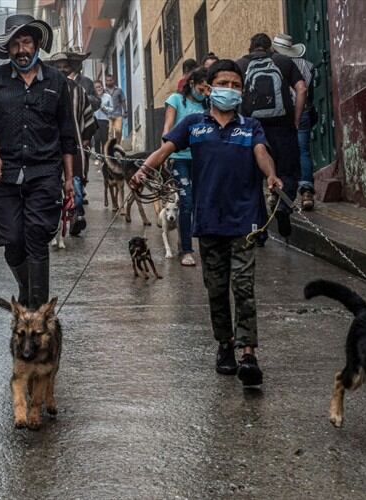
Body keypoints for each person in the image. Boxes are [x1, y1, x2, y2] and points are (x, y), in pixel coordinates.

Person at [131, 59, 283, 389]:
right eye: (224, 83)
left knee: (243, 287)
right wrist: (142, 171)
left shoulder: (251, 126)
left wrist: (271, 176)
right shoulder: (193, 125)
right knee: (216, 288)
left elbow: (261, 153)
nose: (230, 89)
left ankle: (248, 354)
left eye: (236, 85)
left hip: (244, 220)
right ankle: (225, 344)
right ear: (209, 88)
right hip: (209, 220)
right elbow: (165, 149)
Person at [0, 14, 76, 308]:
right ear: (7, 49)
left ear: (36, 45)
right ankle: (26, 288)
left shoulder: (56, 81)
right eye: (15, 44)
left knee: (36, 236)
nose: (22, 50)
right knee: (12, 240)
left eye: (26, 42)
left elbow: (67, 134)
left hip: (44, 172)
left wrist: (69, 179)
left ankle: (39, 312)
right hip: (5, 174)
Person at [236, 33, 306, 238]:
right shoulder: (283, 61)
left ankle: (258, 230)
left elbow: (235, 95)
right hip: (283, 128)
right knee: (288, 173)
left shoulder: (240, 65)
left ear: (250, 48)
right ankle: (283, 207)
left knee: (254, 180)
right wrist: (296, 118)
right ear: (270, 48)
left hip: (252, 129)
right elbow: (301, 89)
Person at [45, 51, 98, 236]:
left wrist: (85, 138)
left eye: (65, 66)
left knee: (75, 180)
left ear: (70, 68)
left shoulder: (78, 90)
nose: (61, 70)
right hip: (49, 144)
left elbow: (88, 117)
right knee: (51, 182)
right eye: (57, 67)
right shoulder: (45, 89)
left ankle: (77, 214)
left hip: (74, 143)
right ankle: (54, 220)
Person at [161, 67, 209, 266]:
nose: (204, 93)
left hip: (201, 159)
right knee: (186, 201)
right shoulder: (176, 100)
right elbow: (168, 125)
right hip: (179, 157)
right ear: (192, 84)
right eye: (201, 88)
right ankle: (186, 250)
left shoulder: (208, 104)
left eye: (207, 89)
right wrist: (164, 151)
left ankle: (205, 247)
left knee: (201, 202)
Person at [273, 33, 316, 211]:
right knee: (303, 150)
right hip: (303, 110)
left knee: (279, 151)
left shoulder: (274, 64)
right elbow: (307, 91)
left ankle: (277, 192)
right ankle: (306, 191)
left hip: (282, 113)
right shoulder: (307, 65)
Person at [93, 80, 113, 160]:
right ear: (94, 89)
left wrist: (104, 108)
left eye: (100, 86)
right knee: (97, 139)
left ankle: (105, 158)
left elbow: (111, 109)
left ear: (102, 86)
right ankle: (98, 157)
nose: (99, 88)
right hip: (95, 120)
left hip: (104, 121)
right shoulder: (92, 97)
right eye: (97, 87)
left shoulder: (108, 97)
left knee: (104, 140)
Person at [104, 74, 126, 140]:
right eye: (107, 80)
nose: (109, 82)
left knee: (118, 131)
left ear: (113, 80)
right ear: (106, 81)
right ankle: (111, 145)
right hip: (108, 116)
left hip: (118, 114)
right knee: (109, 132)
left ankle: (118, 144)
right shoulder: (104, 92)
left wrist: (125, 111)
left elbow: (123, 101)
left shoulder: (119, 90)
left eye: (110, 80)